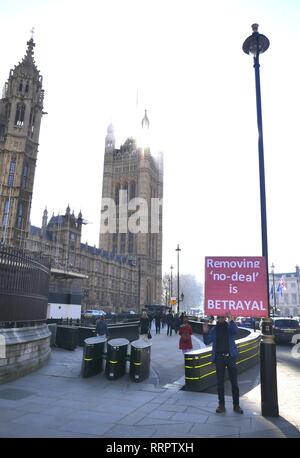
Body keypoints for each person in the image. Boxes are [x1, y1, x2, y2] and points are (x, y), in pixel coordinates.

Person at [203, 315, 243, 414]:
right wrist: (205, 331)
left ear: (225, 318)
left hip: (230, 357)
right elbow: (207, 341)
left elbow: (236, 332)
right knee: (220, 383)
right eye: (219, 317)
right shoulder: (214, 329)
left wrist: (231, 320)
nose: (221, 318)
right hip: (219, 358)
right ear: (217, 318)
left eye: (223, 316)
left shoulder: (230, 327)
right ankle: (221, 405)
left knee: (234, 382)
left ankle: (236, 405)